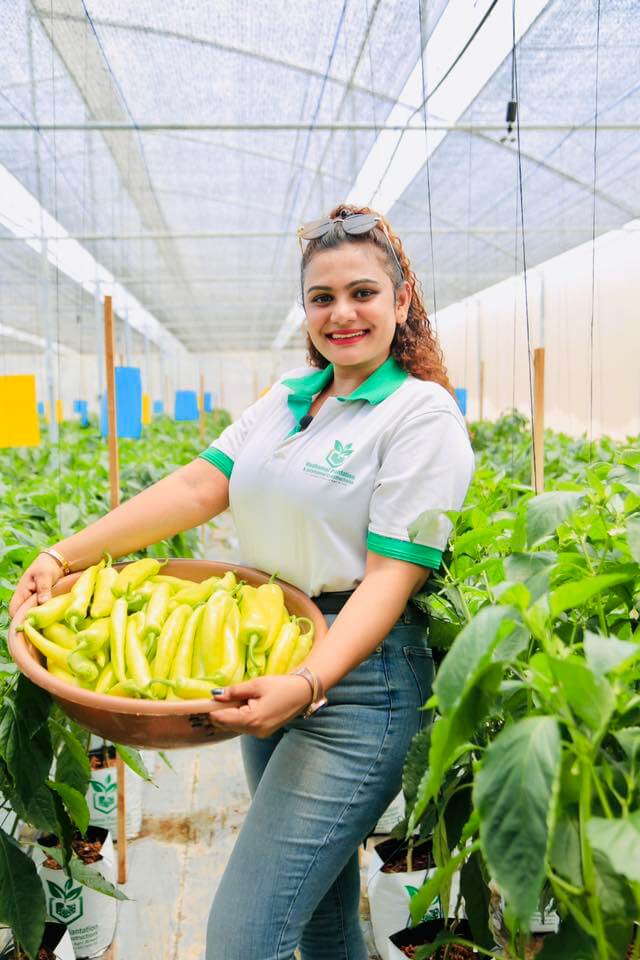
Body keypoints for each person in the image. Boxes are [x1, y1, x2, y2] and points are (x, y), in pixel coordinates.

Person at [10, 203, 474, 960]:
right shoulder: (291, 397)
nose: (342, 313)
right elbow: (200, 488)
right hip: (268, 657)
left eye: (363, 292)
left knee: (242, 933)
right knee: (321, 913)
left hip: (357, 682)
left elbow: (393, 576)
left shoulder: (419, 415)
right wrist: (67, 555)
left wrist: (312, 680)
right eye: (322, 298)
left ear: (402, 299)